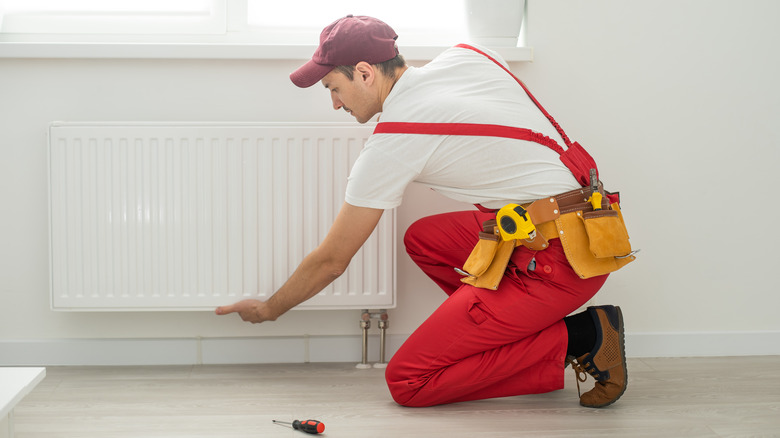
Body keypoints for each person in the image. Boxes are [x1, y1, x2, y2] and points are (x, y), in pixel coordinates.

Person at [216, 15, 628, 408]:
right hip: (587, 223)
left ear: (364, 73)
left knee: (408, 382)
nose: (335, 105)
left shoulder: (395, 139)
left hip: (562, 263)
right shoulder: (470, 55)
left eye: (333, 88)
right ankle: (517, 337)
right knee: (424, 240)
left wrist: (269, 310)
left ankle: (583, 336)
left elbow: (331, 261)